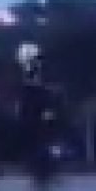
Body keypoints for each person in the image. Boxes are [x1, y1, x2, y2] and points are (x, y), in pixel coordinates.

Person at [13, 42, 63, 180]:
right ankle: (40, 164)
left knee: (45, 141)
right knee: (37, 146)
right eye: (35, 59)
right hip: (32, 117)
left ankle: (48, 161)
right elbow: (25, 98)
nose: (38, 63)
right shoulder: (26, 78)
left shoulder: (40, 76)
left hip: (41, 115)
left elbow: (47, 92)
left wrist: (49, 107)